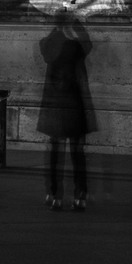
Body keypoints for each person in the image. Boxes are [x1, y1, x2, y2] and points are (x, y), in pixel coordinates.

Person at [38, 16, 95, 211]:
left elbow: (44, 47)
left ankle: (55, 194)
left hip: (56, 103)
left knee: (55, 151)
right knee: (77, 153)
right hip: (73, 102)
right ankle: (80, 194)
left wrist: (57, 29)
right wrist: (78, 29)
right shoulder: (74, 47)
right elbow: (88, 46)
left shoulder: (49, 45)